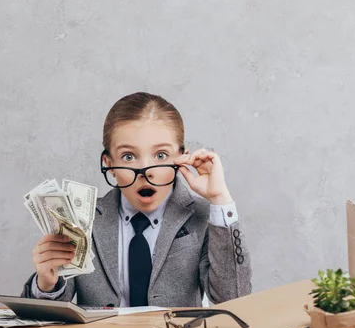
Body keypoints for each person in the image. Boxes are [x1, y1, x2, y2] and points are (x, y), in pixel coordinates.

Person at [22, 92, 252, 307]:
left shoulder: (203, 216)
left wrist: (220, 199)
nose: (145, 170)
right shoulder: (82, 218)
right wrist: (46, 283)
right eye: (129, 156)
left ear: (182, 158)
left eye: (160, 155)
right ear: (109, 163)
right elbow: (47, 318)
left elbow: (234, 299)